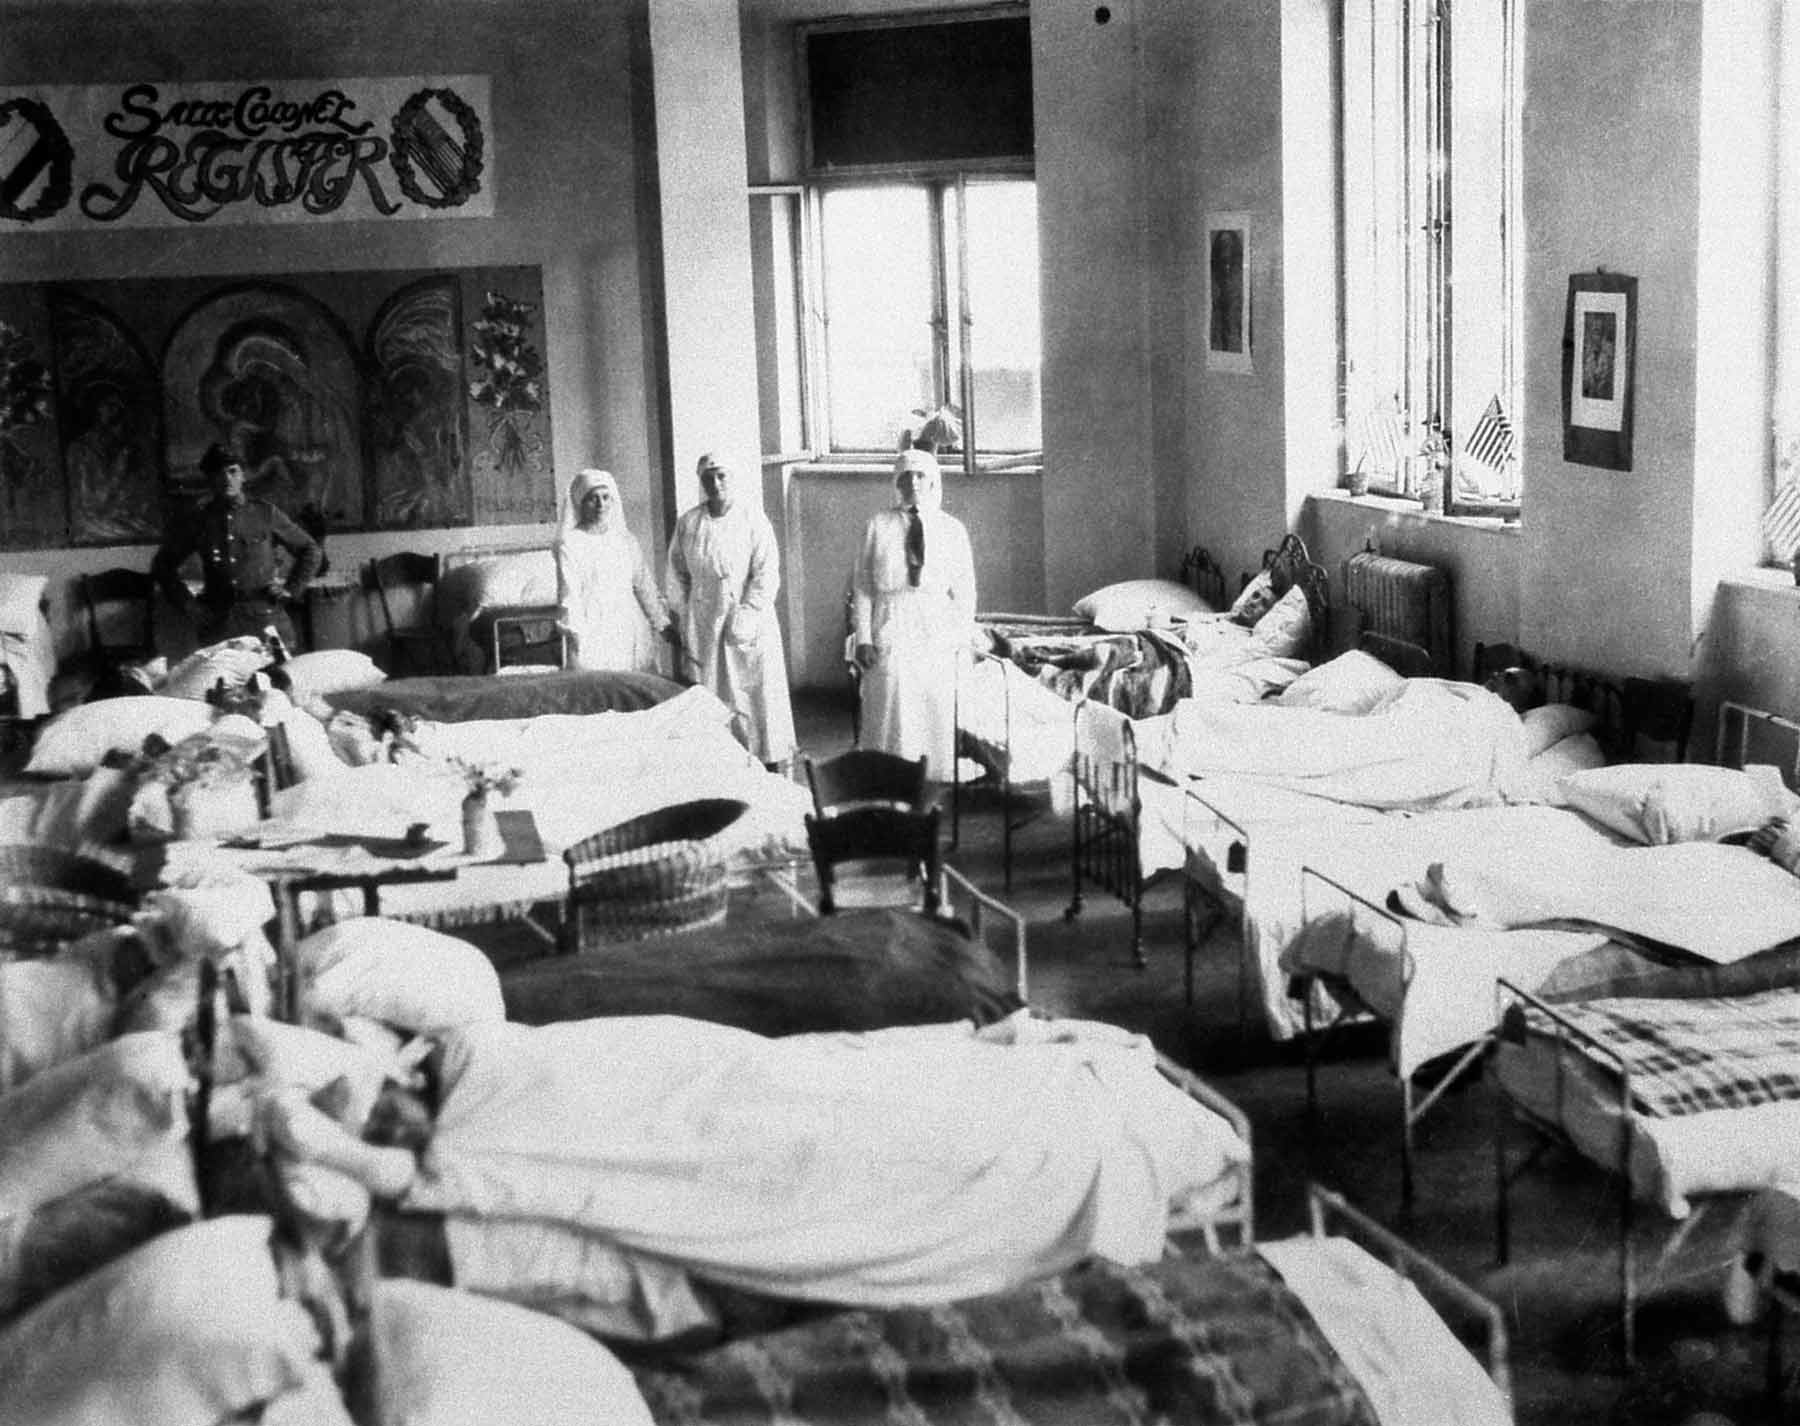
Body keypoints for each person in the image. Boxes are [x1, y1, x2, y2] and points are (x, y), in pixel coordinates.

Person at [849, 447, 977, 777]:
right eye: (906, 476)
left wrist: (961, 640)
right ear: (897, 482)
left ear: (934, 481)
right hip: (891, 621)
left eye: (921, 475)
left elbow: (965, 592)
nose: (914, 483)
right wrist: (863, 638)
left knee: (934, 704)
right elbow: (863, 587)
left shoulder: (952, 530)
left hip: (935, 624)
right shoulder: (877, 526)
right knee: (891, 701)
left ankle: (933, 778)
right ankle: (888, 776)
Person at [666, 453, 796, 767]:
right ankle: (719, 766)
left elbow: (767, 572)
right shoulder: (690, 523)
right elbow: (676, 573)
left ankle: (766, 762)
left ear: (732, 478)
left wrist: (748, 613)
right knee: (713, 695)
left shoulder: (752, 519)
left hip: (748, 619)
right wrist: (685, 616)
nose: (715, 483)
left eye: (721, 475)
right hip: (705, 620)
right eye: (708, 478)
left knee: (756, 694)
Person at [151, 443, 321, 651]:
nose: (226, 479)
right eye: (218, 473)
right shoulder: (199, 520)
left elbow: (310, 549)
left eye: (233, 471)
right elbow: (163, 565)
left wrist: (291, 590)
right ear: (210, 479)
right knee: (220, 672)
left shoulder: (265, 514)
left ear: (243, 476)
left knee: (276, 670)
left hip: (264, 619)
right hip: (218, 623)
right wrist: (188, 605)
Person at [554, 467, 674, 674]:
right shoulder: (571, 544)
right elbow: (570, 596)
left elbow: (643, 585)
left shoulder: (625, 540)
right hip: (593, 629)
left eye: (605, 497)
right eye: (592, 498)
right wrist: (574, 644)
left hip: (628, 626)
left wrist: (662, 623)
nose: (600, 504)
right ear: (580, 503)